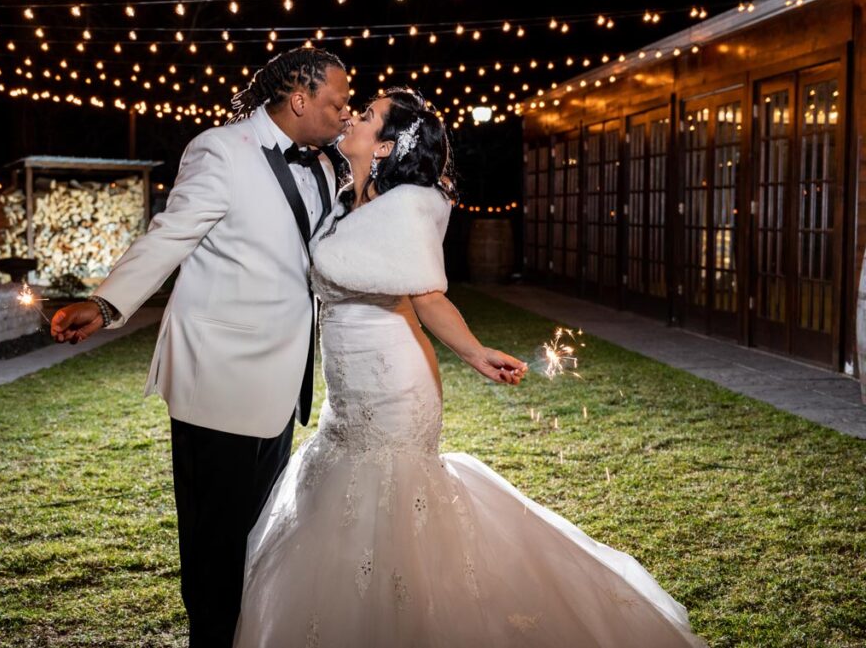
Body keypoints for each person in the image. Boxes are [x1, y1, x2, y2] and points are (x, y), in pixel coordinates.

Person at [231, 88, 708, 647]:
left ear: (384, 146)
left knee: (391, 506)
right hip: (347, 390)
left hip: (393, 385)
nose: (352, 117)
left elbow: (429, 298)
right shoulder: (338, 198)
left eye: (366, 115)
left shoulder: (406, 208)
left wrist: (475, 352)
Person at [49, 48, 352, 648]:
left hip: (282, 381)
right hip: (218, 381)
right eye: (337, 101)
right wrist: (107, 303)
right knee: (214, 550)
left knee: (258, 539)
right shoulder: (222, 149)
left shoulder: (324, 166)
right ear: (299, 98)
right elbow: (171, 234)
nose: (346, 112)